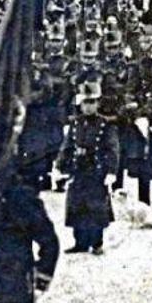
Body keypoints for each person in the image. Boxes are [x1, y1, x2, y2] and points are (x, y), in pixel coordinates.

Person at [59, 80, 116, 254]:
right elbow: (67, 146)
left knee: (96, 207)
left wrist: (111, 171)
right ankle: (80, 242)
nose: (88, 107)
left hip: (96, 170)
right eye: (85, 103)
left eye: (92, 102)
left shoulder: (105, 125)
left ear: (98, 103)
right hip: (78, 169)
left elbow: (113, 149)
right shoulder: (75, 123)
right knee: (77, 205)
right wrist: (60, 165)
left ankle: (97, 242)